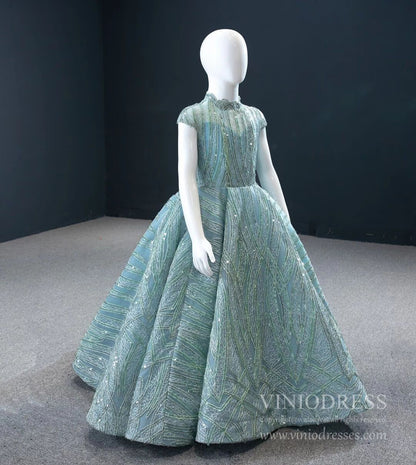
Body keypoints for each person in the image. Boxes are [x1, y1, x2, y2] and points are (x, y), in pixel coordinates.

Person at [73, 28, 371, 447]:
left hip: (252, 214)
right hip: (206, 212)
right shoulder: (193, 116)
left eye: (242, 53)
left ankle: (266, 386)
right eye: (229, 54)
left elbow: (267, 171)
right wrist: (196, 236)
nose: (238, 62)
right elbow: (186, 179)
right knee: (188, 307)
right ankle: (184, 398)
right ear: (208, 61)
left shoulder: (254, 116)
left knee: (257, 302)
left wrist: (284, 220)